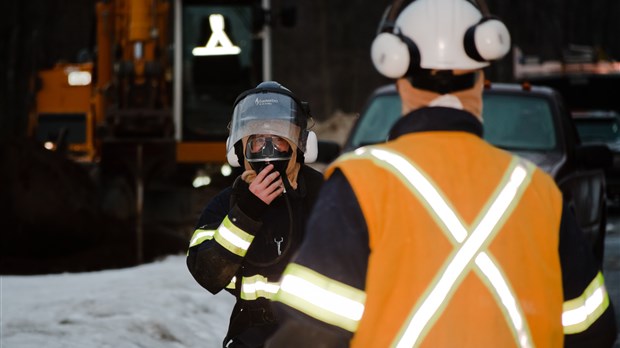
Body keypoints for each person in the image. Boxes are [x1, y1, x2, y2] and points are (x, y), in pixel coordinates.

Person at [266, 0, 618, 347]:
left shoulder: (361, 182)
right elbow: (592, 329)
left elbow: (308, 336)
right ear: (481, 78)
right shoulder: (537, 190)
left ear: (398, 72)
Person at [186, 81, 324, 348]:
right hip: (252, 335)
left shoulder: (325, 197)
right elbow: (208, 275)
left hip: (318, 336)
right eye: (259, 140)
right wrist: (247, 211)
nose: (268, 150)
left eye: (279, 140)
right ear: (239, 148)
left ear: (300, 144)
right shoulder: (226, 204)